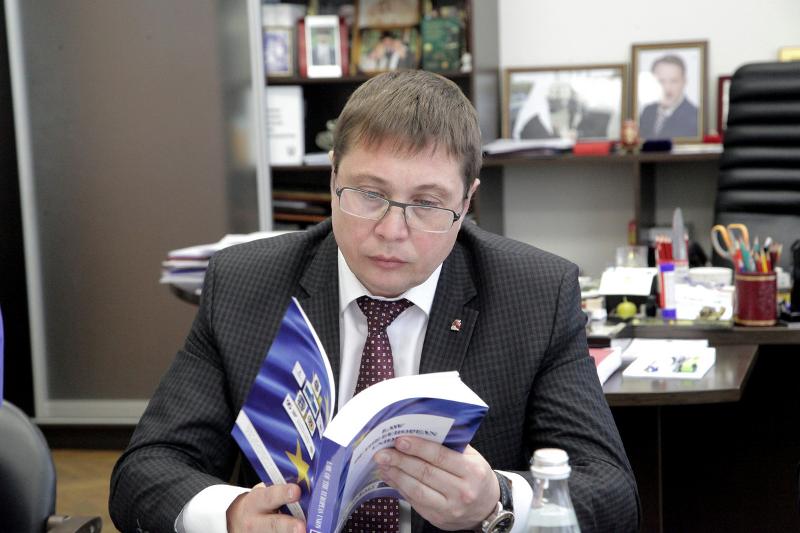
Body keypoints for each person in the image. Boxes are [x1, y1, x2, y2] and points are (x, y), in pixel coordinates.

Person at [109, 70, 640, 533]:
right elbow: (146, 470)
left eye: (427, 203)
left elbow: (611, 492)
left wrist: (496, 501)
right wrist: (231, 515)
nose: (391, 230)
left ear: (466, 202)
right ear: (333, 177)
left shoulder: (535, 293)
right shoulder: (247, 282)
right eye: (369, 194)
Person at [639, 54, 699, 139]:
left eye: (674, 81)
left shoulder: (695, 116)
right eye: (661, 81)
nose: (667, 88)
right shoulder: (647, 111)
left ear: (684, 81)